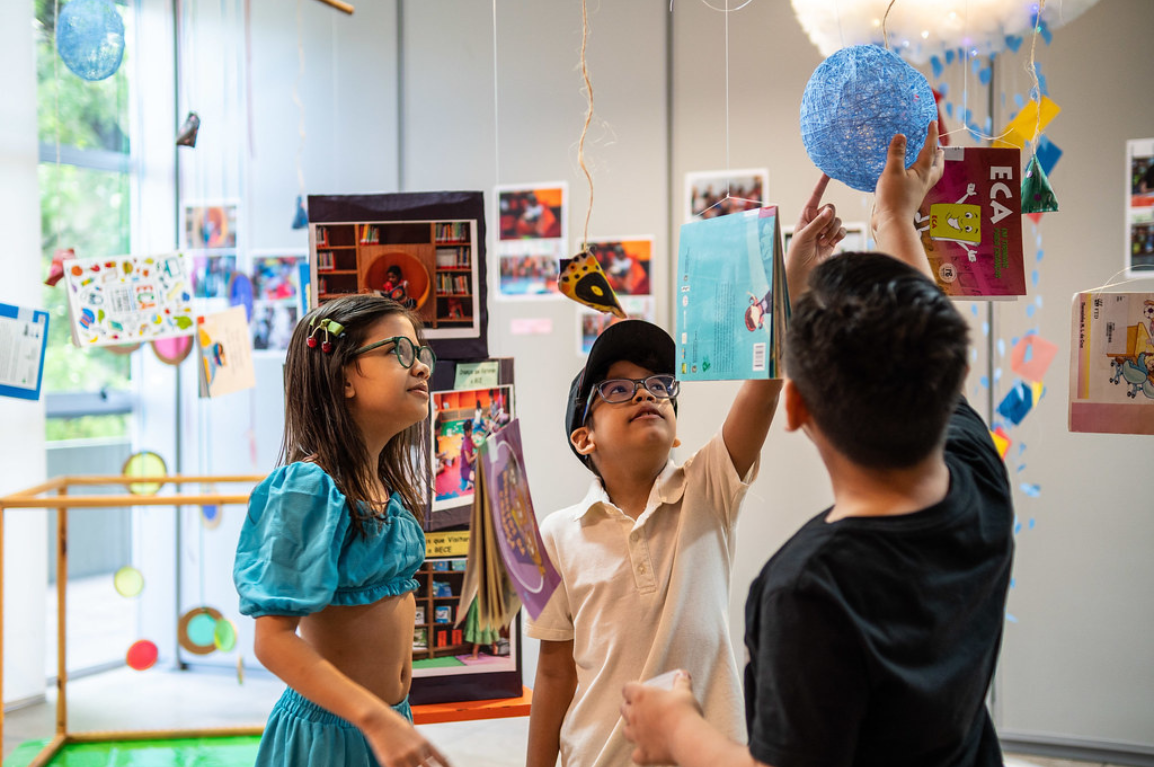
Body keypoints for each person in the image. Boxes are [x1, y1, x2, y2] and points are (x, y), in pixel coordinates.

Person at [621, 123, 1015, 767]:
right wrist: (894, 213)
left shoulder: (809, 588)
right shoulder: (980, 481)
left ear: (796, 407)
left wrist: (676, 731)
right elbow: (929, 339)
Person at [525, 193, 847, 767]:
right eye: (618, 389)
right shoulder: (557, 534)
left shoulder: (708, 487)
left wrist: (791, 279)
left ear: (676, 432)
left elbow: (764, 379)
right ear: (584, 439)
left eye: (658, 385)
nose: (645, 392)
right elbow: (553, 674)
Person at [232, 294, 451, 767]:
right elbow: (272, 640)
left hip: (387, 720)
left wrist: (388, 719)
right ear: (344, 376)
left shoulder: (382, 484)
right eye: (399, 351)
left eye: (421, 354)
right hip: (335, 736)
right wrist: (373, 719)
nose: (422, 369)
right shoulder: (309, 488)